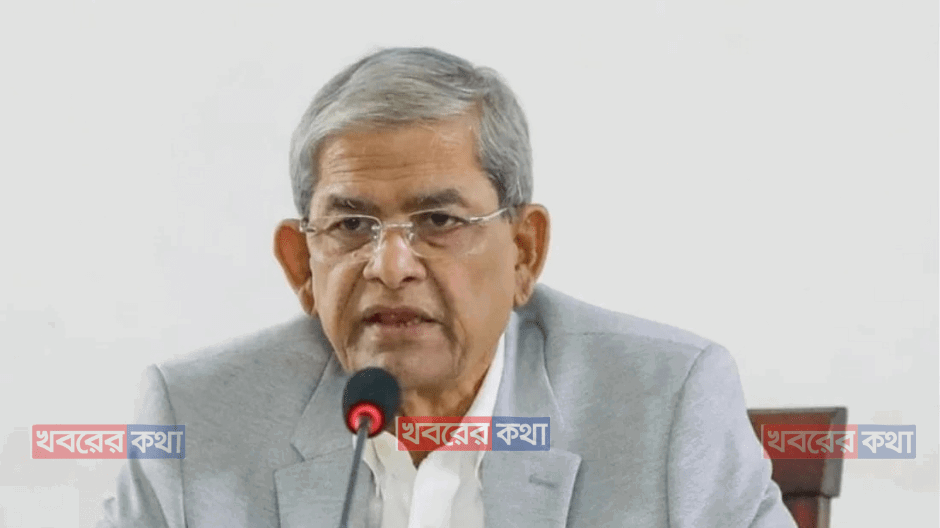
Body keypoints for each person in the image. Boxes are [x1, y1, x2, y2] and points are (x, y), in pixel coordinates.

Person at [98, 47, 797, 527]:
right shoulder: (195, 422)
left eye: (439, 221)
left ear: (524, 252)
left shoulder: (666, 405)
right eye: (351, 224)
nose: (390, 265)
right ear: (301, 265)